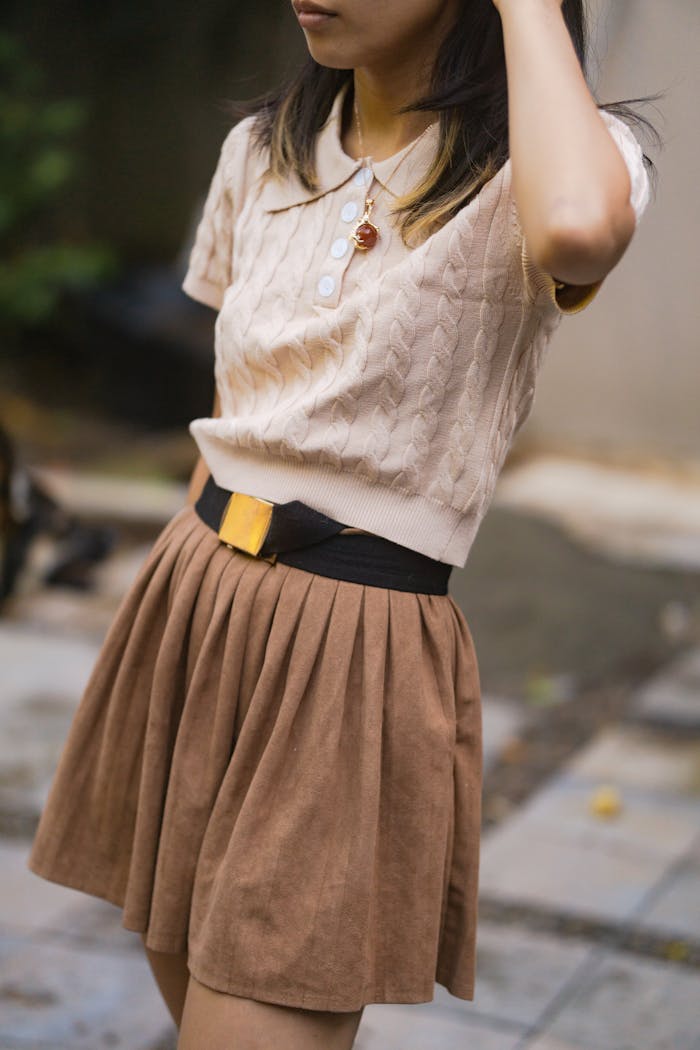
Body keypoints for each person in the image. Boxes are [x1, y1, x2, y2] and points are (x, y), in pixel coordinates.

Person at [27, 1, 658, 1047]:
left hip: (348, 653)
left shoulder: (560, 167)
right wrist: (172, 621)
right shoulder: (260, 150)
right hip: (195, 600)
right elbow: (241, 414)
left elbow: (579, 232)